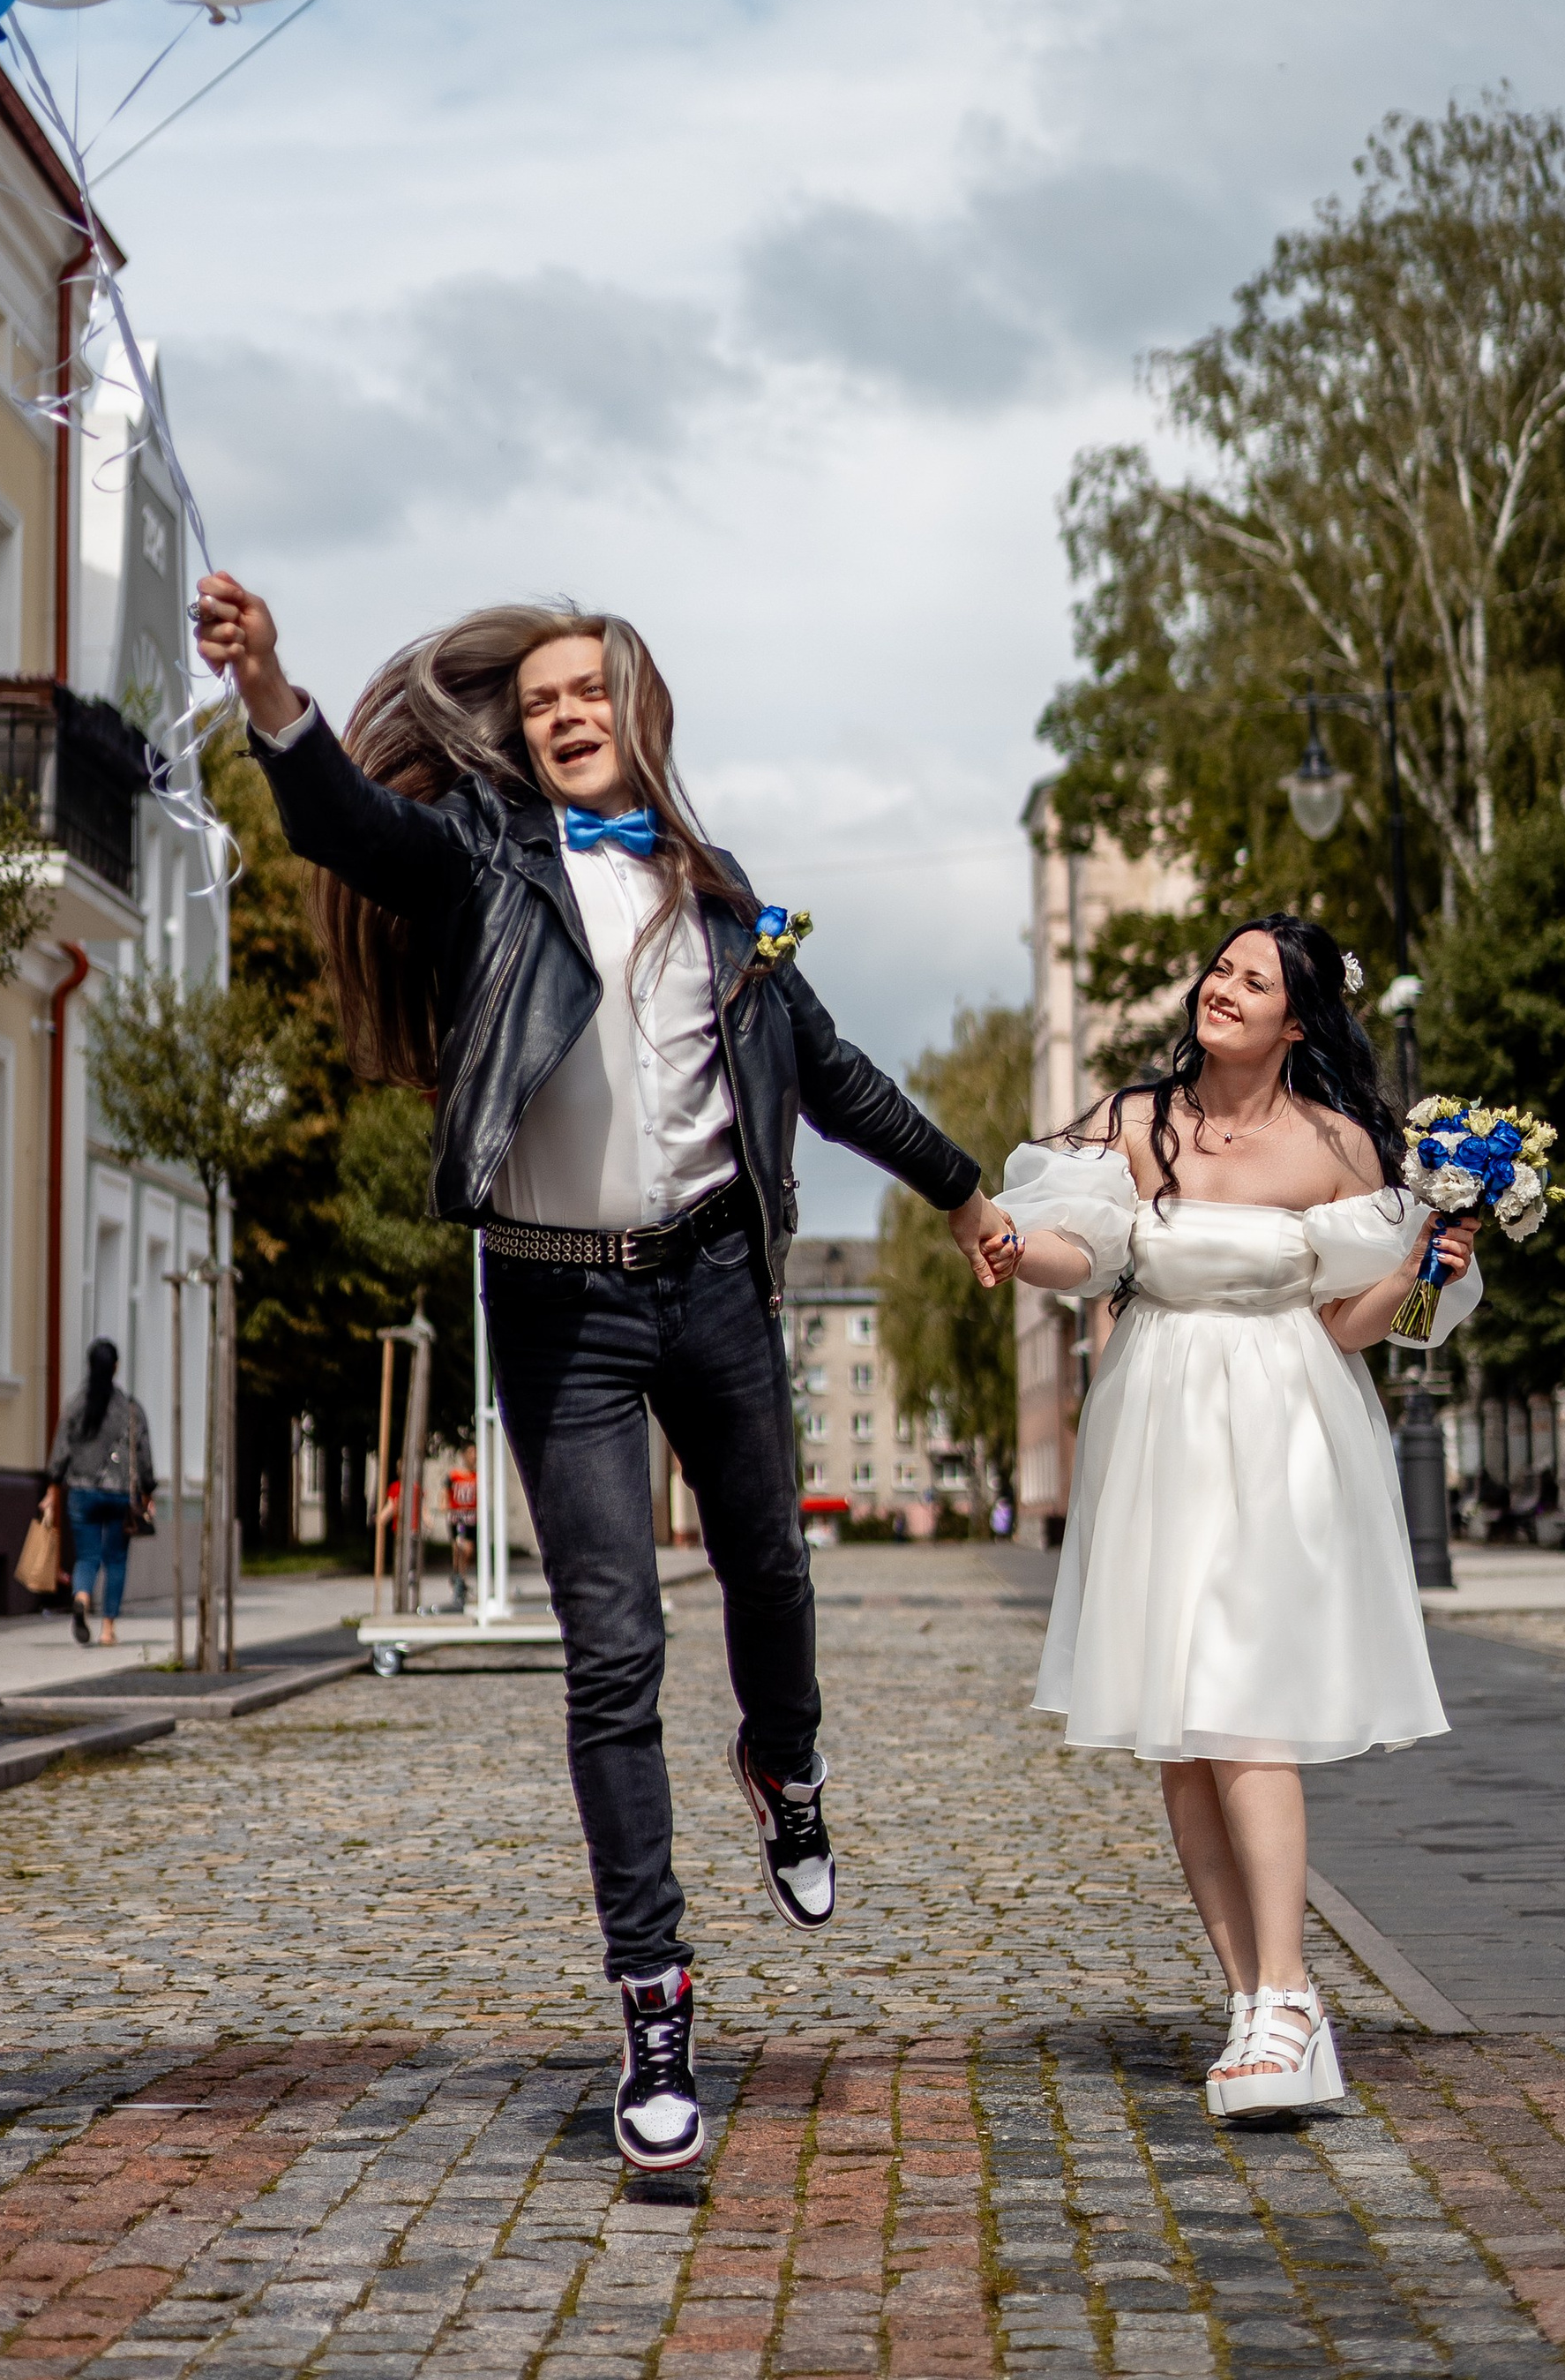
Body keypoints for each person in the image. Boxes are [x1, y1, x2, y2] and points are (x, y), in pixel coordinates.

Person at [192, 576, 1011, 2172]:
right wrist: (273, 692)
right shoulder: (490, 864)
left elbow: (828, 1072)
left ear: (644, 717)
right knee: (614, 1658)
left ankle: (785, 1754)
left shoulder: (719, 896)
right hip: (560, 1306)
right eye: (543, 699)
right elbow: (354, 828)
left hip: (713, 1283)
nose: (565, 713)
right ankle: (655, 1999)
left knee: (773, 1569)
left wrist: (964, 1188)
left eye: (593, 692)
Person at [983, 915, 1481, 2121]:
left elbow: (1347, 1321)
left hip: (1279, 1432)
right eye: (1220, 968)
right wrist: (1011, 1245)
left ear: (1296, 1019)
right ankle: (1255, 2003)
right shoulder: (1135, 1121)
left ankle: (1293, 1997)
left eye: (1253, 980)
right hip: (1155, 1431)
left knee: (1245, 1709)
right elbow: (1079, 1249)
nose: (1224, 988)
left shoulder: (1340, 1144)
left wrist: (1429, 1270)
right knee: (1183, 1730)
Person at [41, 1337, 156, 1648]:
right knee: (116, 1559)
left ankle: (81, 1597)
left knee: (87, 1556)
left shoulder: (75, 1405)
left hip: (81, 1492)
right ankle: (107, 1629)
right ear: (116, 1367)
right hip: (120, 1495)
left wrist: (53, 1487)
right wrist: (147, 1492)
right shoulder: (130, 1408)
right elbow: (143, 1453)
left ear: (89, 1366)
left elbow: (60, 1451)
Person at [445, 1452, 477, 1613]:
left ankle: (461, 1578)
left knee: (469, 1551)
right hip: (457, 1518)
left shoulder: (477, 1476)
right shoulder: (454, 1475)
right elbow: (444, 1492)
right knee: (458, 1548)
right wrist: (445, 1505)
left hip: (471, 1518)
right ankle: (458, 1577)